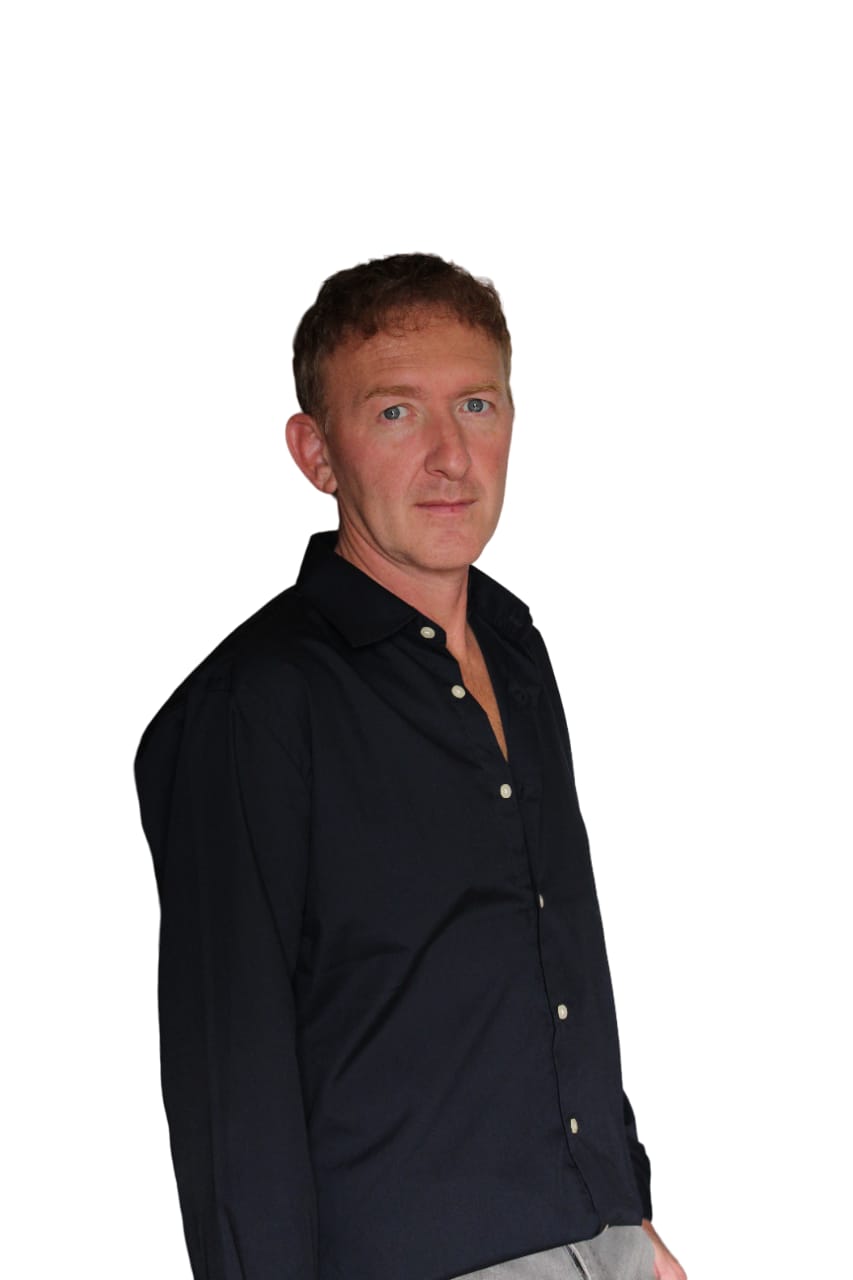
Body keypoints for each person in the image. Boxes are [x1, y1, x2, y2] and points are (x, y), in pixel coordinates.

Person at [134, 253, 686, 1280]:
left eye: (476, 405)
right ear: (317, 452)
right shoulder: (252, 705)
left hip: (598, 1238)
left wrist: (626, 1211)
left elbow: (555, 959)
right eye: (395, 413)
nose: (450, 456)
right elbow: (229, 1081)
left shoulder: (515, 650)